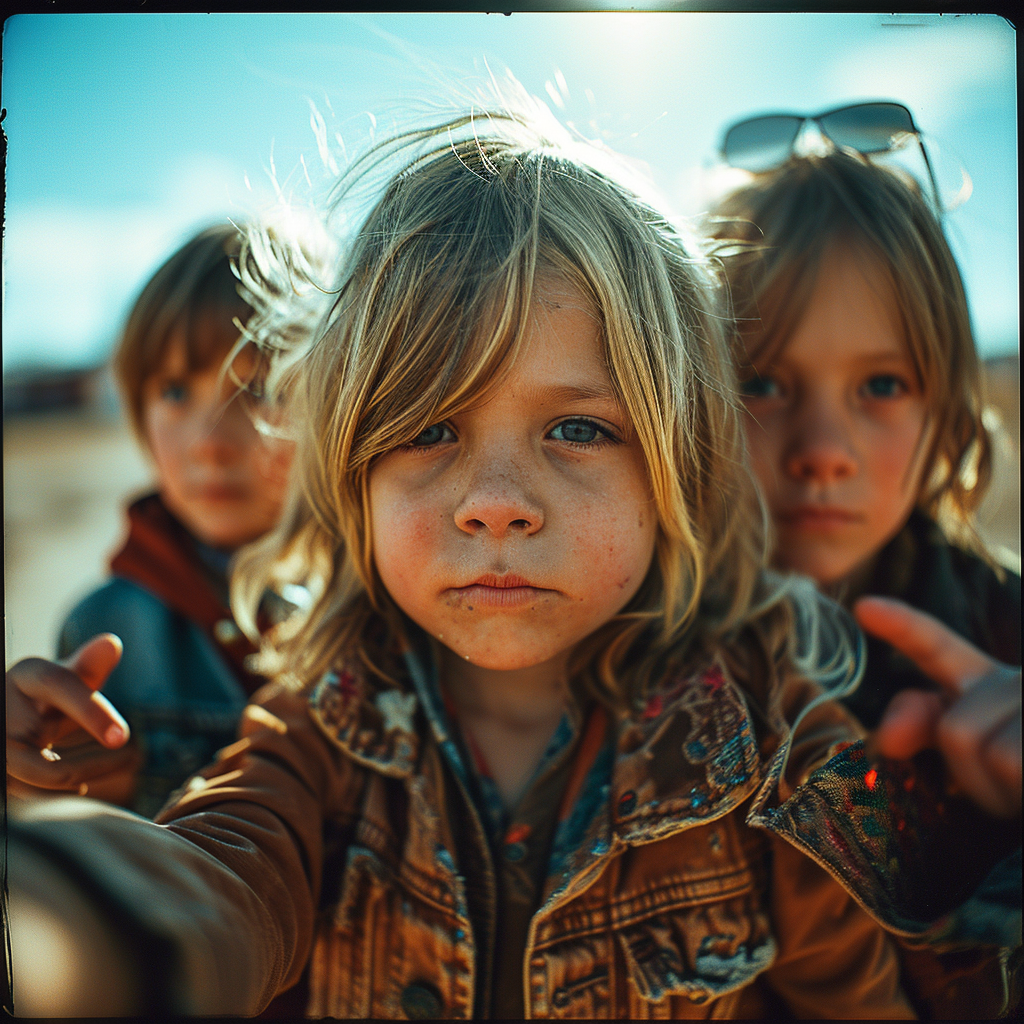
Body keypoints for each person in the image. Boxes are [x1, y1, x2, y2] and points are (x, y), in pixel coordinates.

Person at [1, 104, 1009, 1019]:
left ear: (678, 468)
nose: (493, 504)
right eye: (429, 428)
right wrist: (68, 903)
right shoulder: (318, 719)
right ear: (352, 472)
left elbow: (872, 987)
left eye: (575, 428)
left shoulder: (770, 729)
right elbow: (221, 875)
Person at [705, 139, 1021, 1015]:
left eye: (880, 383)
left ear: (948, 414)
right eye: (763, 382)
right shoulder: (638, 652)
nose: (822, 454)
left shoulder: (1008, 633)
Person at [11, 224, 297, 817]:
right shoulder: (102, 628)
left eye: (259, 388)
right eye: (173, 391)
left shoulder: (382, 611)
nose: (210, 444)